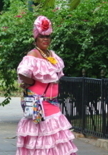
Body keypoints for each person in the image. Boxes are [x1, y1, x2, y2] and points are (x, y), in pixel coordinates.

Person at [16, 16, 78, 154]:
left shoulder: (51, 54)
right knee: (43, 139)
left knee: (56, 138)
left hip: (53, 103)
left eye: (48, 36)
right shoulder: (34, 54)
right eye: (42, 36)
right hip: (39, 104)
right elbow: (22, 72)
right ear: (36, 38)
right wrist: (31, 82)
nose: (45, 39)